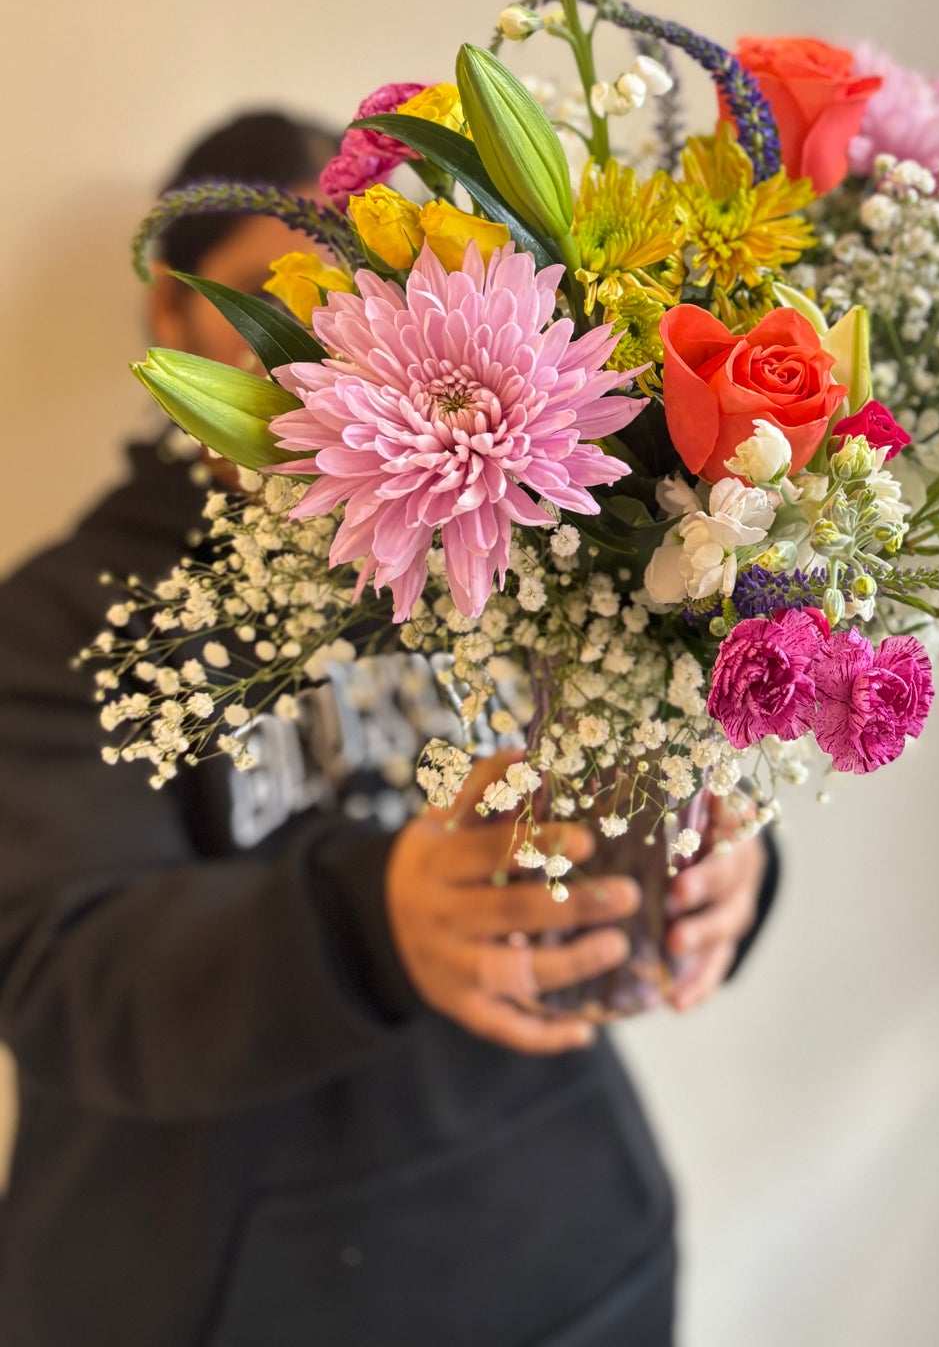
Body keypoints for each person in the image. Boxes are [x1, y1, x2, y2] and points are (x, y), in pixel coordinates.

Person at [0, 111, 775, 1347]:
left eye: (355, 292)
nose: (311, 345)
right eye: (267, 293)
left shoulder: (510, 538)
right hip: (233, 1295)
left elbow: (620, 757)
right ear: (173, 313)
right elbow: (56, 975)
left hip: (583, 1262)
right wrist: (372, 923)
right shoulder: (59, 616)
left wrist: (716, 860)